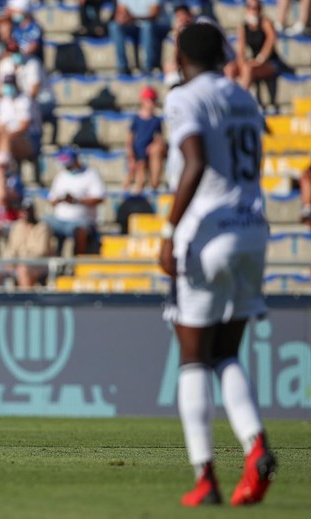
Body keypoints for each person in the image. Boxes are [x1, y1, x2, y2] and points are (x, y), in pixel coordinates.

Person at [160, 22, 277, 507]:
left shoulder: (185, 96)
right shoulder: (245, 98)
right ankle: (255, 445)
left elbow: (195, 159)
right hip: (253, 230)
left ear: (182, 59)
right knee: (226, 352)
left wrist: (168, 231)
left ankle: (205, 477)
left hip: (207, 234)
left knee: (192, 357)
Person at [0, 73, 41, 185]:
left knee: (6, 138)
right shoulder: (3, 101)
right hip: (6, 136)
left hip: (27, 140)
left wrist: (6, 133)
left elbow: (25, 125)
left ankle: (5, 176)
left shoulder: (25, 100)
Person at [45, 149, 104, 256]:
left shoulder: (91, 174)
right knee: (41, 225)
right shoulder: (61, 175)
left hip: (83, 220)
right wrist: (61, 199)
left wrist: (76, 200)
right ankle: (48, 261)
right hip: (59, 219)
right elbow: (52, 200)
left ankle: (76, 264)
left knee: (80, 230)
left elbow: (99, 198)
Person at [230, 0, 288, 105]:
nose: (253, 10)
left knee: (248, 69)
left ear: (260, 9)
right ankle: (228, 98)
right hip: (254, 62)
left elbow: (271, 41)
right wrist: (242, 64)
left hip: (270, 62)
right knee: (230, 69)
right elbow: (241, 51)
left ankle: (238, 102)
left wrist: (259, 60)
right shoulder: (243, 27)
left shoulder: (265, 23)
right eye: (250, 7)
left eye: (256, 7)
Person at [0, 199, 52, 288]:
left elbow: (41, 251)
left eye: (26, 211)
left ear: (32, 211)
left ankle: (26, 300)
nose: (23, 214)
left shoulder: (43, 227)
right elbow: (11, 249)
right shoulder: (17, 226)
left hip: (38, 263)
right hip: (17, 262)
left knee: (23, 270)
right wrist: (9, 260)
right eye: (21, 211)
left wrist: (19, 261)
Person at [108, 0, 168, 74]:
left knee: (147, 26)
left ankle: (148, 67)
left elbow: (154, 14)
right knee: (114, 26)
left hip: (153, 26)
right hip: (132, 25)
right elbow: (120, 12)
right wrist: (123, 18)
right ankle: (122, 67)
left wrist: (133, 17)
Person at [125, 85, 166, 193]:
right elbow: (130, 138)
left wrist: (154, 145)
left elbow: (159, 138)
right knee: (132, 176)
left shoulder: (156, 120)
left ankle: (151, 187)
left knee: (142, 177)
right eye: (149, 100)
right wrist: (131, 155)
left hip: (147, 152)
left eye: (153, 101)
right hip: (137, 152)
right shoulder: (137, 119)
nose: (151, 103)